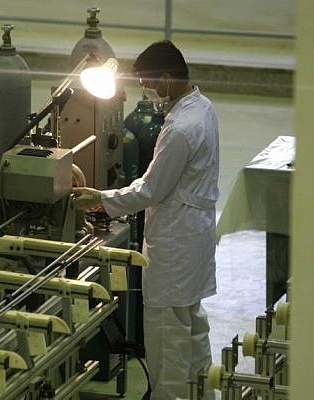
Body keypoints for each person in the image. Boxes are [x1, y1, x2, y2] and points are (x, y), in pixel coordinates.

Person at [73, 40, 218, 400]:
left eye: (149, 83)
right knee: (193, 330)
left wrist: (99, 199)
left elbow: (150, 190)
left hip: (175, 244)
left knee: (167, 340)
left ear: (167, 78)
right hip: (195, 239)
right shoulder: (203, 108)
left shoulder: (180, 128)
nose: (147, 91)